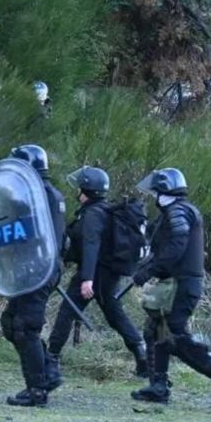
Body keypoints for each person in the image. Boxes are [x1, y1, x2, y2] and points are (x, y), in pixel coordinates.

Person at [130, 168, 211, 405]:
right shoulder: (178, 211)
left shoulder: (178, 212)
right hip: (179, 283)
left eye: (156, 192)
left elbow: (177, 244)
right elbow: (162, 246)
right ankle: (158, 386)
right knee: (156, 331)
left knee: (173, 336)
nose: (154, 197)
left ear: (164, 191)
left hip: (182, 284)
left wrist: (148, 271)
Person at [46, 166, 148, 390]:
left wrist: (87, 279)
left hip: (96, 273)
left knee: (67, 311)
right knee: (114, 314)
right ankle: (142, 357)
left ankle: (50, 357)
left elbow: (91, 246)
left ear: (86, 190)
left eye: (80, 187)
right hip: (106, 273)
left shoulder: (92, 214)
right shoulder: (102, 210)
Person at [0, 144, 66, 407]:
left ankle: (38, 390)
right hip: (38, 268)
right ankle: (48, 371)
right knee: (11, 322)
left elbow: (30, 234)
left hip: (38, 268)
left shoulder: (37, 194)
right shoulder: (49, 192)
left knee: (25, 327)